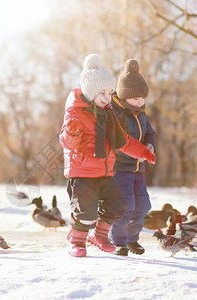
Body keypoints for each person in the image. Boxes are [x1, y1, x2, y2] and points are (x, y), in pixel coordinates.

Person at [59, 54, 155, 257]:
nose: (107, 97)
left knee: (119, 206)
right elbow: (67, 142)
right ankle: (77, 241)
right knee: (86, 212)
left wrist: (143, 151)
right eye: (102, 92)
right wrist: (72, 131)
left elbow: (123, 141)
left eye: (110, 93)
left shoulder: (108, 113)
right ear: (89, 91)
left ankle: (100, 236)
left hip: (104, 172)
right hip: (82, 173)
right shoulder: (76, 113)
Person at [109, 59, 155, 256]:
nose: (140, 102)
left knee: (143, 205)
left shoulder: (141, 115)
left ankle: (131, 239)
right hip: (120, 168)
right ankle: (118, 241)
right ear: (124, 96)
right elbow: (117, 141)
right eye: (136, 99)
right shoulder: (116, 114)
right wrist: (138, 151)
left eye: (142, 98)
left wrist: (150, 146)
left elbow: (149, 133)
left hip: (138, 168)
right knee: (125, 205)